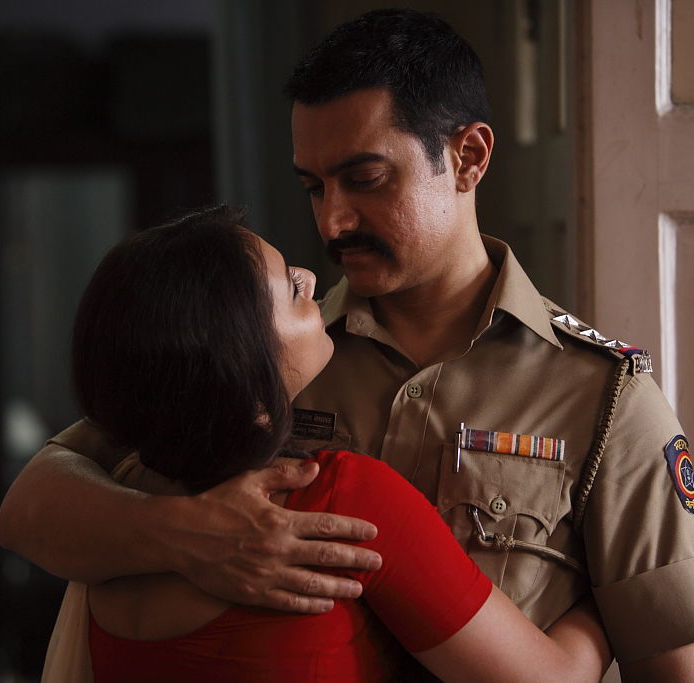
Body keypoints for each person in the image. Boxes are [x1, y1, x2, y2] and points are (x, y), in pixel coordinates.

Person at [0, 9, 694, 680]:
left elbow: (675, 671)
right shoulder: (260, 357)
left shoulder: (604, 401)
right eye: (314, 187)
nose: (331, 223)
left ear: (470, 157)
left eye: (365, 178)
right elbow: (32, 506)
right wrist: (191, 533)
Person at [47, 205, 609, 681]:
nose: (312, 278)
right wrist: (604, 595)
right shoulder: (342, 498)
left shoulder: (105, 524)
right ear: (243, 368)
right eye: (291, 289)